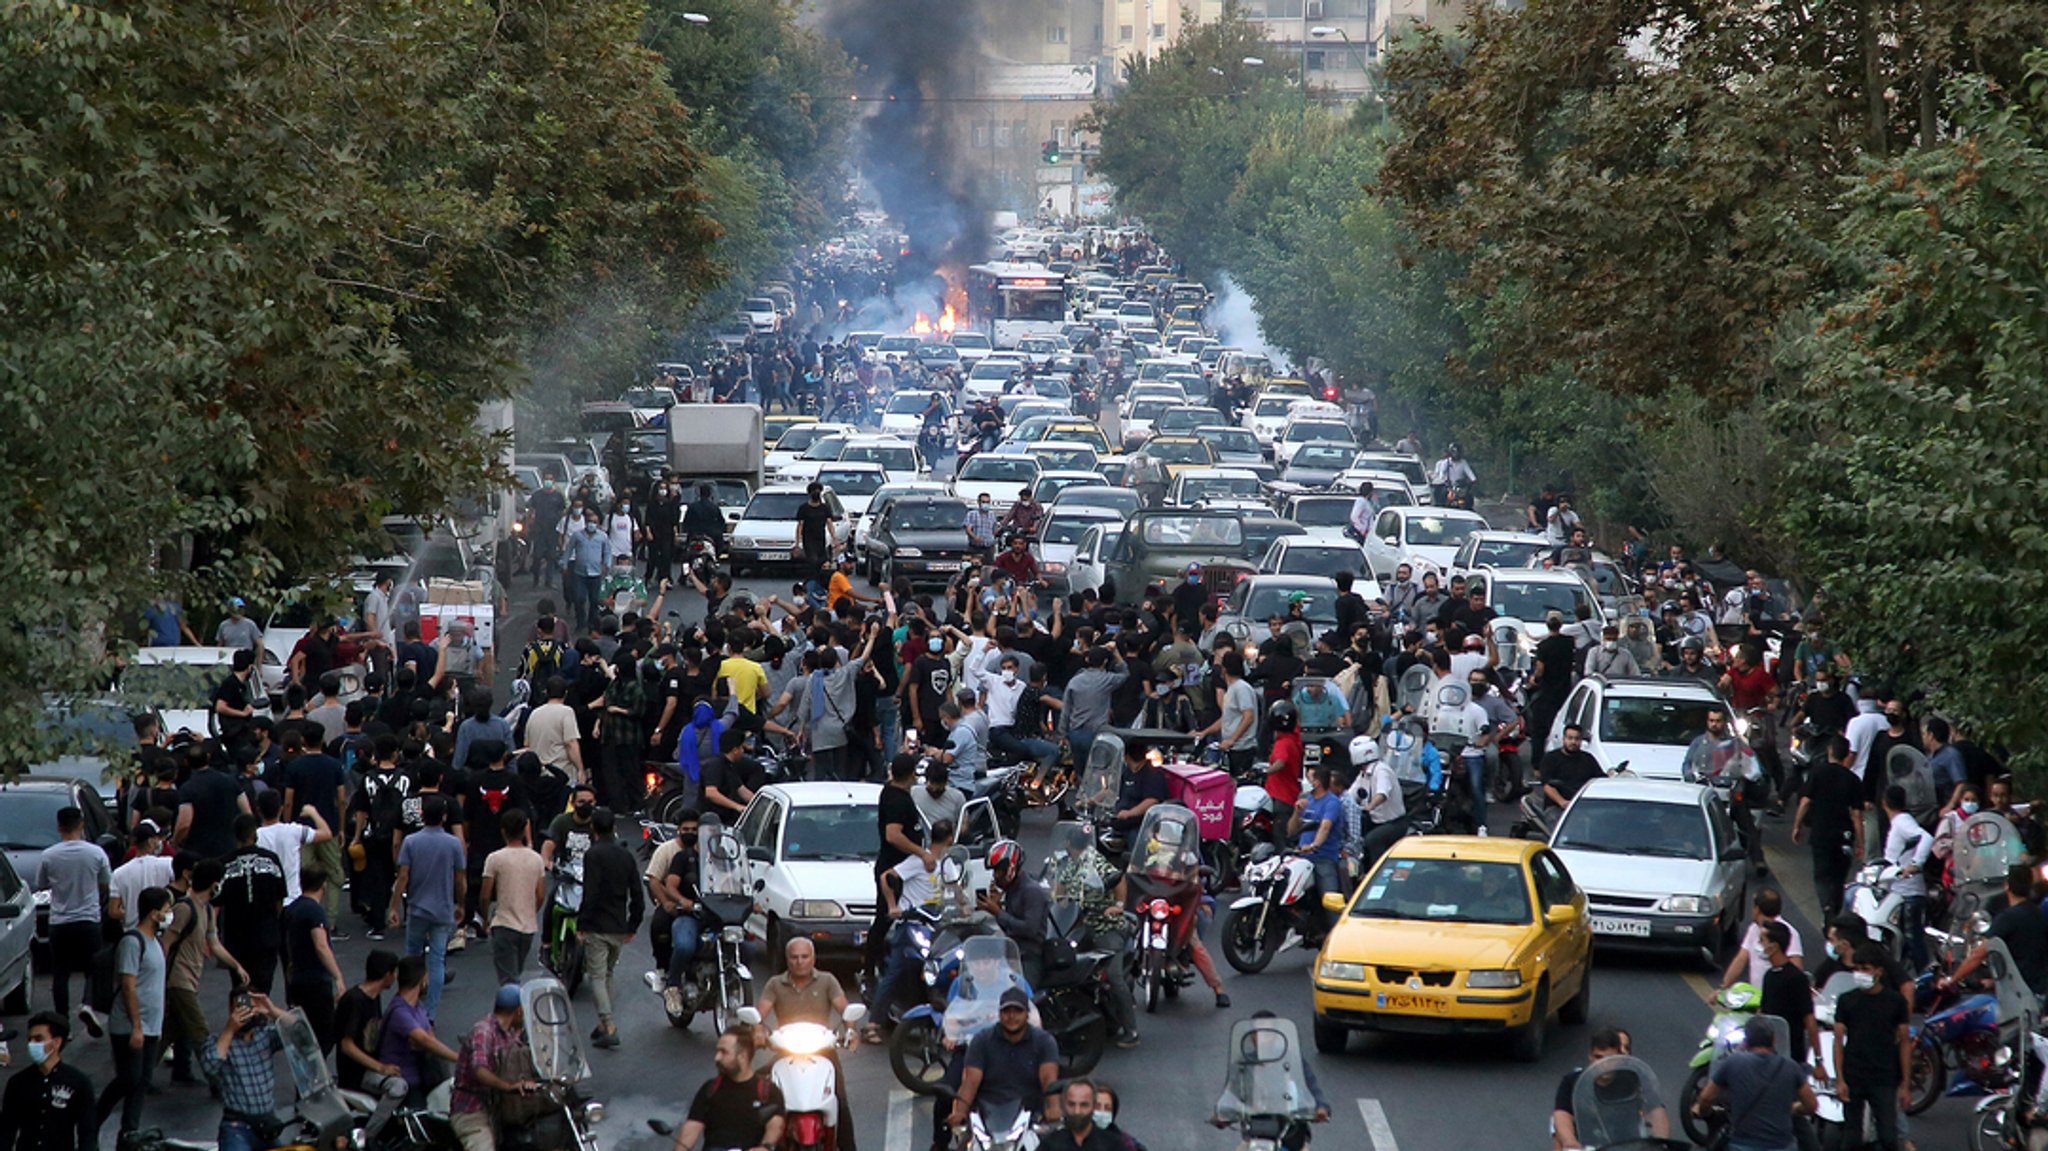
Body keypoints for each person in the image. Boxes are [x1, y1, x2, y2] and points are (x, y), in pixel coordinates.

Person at [755, 937, 857, 1151]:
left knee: (840, 1100)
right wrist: (757, 1029)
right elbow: (759, 1013)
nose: (799, 961)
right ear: (787, 959)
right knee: (757, 1091)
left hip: (823, 1051)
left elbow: (844, 1009)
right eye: (794, 957)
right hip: (786, 1051)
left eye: (804, 956)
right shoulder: (775, 984)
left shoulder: (827, 980)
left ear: (813, 958)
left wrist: (851, 1030)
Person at [97, 885, 168, 1139]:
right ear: (153, 913)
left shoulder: (155, 942)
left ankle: (130, 1132)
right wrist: (137, 1026)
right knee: (129, 1077)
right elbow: (128, 985)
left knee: (142, 1081)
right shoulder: (132, 942)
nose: (168, 915)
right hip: (130, 1025)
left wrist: (156, 1027)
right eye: (166, 910)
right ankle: (93, 1119)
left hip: (151, 1025)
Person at [390, 794, 466, 1021]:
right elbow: (460, 879)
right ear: (444, 817)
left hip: (417, 908)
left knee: (412, 955)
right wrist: (461, 903)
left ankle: (408, 1003)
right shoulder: (453, 844)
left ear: (422, 815)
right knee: (437, 960)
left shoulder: (411, 842)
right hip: (443, 909)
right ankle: (430, 1013)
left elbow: (403, 876)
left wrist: (394, 907)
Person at [1691, 1016, 1816, 1151]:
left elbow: (1706, 1098)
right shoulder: (1790, 1067)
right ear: (1774, 1041)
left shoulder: (1734, 1062)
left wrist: (1704, 1112)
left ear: (1746, 1041)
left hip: (1742, 1146)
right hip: (1782, 1146)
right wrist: (1795, 1108)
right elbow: (1811, 1105)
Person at [36, 805, 112, 1025]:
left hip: (60, 920)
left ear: (59, 827)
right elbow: (106, 882)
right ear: (81, 825)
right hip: (89, 918)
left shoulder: (49, 855)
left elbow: (42, 884)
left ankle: (62, 1023)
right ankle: (88, 1003)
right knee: (93, 968)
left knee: (60, 973)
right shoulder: (96, 853)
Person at [1831, 944, 1911, 1151]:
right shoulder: (1846, 1000)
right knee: (1851, 1138)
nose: (1860, 973)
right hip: (1854, 1074)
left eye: (1865, 968)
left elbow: (1904, 1042)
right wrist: (1840, 1079)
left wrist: (1905, 1085)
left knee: (1888, 1137)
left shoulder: (1896, 1002)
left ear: (1879, 971)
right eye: (1856, 968)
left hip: (1884, 1077)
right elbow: (1838, 1041)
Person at [949, 987, 1060, 1134]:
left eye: (1018, 1011)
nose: (1012, 1016)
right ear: (999, 1014)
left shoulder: (1044, 1042)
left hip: (1030, 1117)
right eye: (1006, 1011)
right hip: (987, 1117)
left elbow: (1049, 1080)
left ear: (1027, 1014)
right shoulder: (982, 1041)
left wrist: (1054, 1108)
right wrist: (960, 1112)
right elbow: (970, 1082)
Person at [579, 807, 642, 1049]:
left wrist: (583, 923)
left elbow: (591, 892)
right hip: (618, 925)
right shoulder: (625, 855)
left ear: (593, 828)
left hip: (598, 925)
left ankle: (609, 1024)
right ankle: (604, 1023)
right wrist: (633, 923)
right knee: (608, 974)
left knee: (597, 976)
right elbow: (636, 893)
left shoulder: (593, 855)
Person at [448, 985, 538, 1151]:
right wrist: (508, 1086)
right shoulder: (483, 1031)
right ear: (518, 1011)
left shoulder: (511, 1034)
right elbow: (480, 1071)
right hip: (473, 1110)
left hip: (501, 1108)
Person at [668, 1026, 785, 1151]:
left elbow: (775, 1123)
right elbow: (692, 1126)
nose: (717, 1057)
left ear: (742, 1057)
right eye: (717, 1051)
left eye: (723, 1052)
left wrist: (765, 1147)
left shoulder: (768, 1091)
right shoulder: (710, 1090)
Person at [200, 991, 291, 1151]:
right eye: (240, 1007)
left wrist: (271, 1010)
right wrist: (229, 1029)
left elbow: (300, 1031)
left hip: (266, 1124)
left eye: (250, 1007)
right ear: (231, 1010)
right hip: (237, 1126)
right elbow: (210, 1067)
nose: (246, 1012)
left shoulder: (265, 1036)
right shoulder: (218, 1041)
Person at [1943, 862, 2048, 999]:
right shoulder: (2039, 914)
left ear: (2007, 886)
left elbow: (1978, 955)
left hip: (2020, 995)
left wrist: (1952, 980)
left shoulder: (2007, 918)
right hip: (2040, 988)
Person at [1791, 736, 1866, 919]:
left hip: (1821, 832)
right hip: (1844, 836)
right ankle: (1835, 908)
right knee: (1839, 878)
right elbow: (1857, 815)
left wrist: (1797, 826)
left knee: (1822, 875)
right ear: (1847, 754)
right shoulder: (1853, 780)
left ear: (1830, 751)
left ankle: (1826, 907)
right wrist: (1860, 843)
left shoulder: (1817, 772)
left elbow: (1805, 801)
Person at [0, 1012, 96, 1151]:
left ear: (56, 1042)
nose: (32, 1044)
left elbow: (87, 1134)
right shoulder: (17, 1083)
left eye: (38, 1039)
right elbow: (6, 1131)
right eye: (30, 1039)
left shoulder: (78, 1083)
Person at [216, 813, 287, 994]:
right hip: (266, 934)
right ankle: (261, 1018)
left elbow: (216, 903)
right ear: (254, 834)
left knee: (241, 987)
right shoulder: (271, 860)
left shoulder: (224, 864)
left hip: (236, 937)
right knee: (263, 987)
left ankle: (243, 1019)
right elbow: (280, 898)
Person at [378, 955, 460, 1106]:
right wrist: (458, 1058)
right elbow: (424, 1040)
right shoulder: (400, 1012)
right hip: (404, 1080)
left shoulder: (418, 1007)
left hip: (424, 1077)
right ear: (423, 979)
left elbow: (430, 1038)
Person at [479, 809, 545, 987]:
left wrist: (486, 919)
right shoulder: (536, 859)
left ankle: (513, 1012)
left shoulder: (495, 858)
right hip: (528, 927)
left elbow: (485, 895)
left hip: (504, 924)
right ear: (525, 830)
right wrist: (530, 911)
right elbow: (540, 895)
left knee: (508, 979)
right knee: (517, 972)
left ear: (503, 831)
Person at [282, 869, 346, 1051]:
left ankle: (311, 1073)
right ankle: (318, 1073)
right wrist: (338, 976)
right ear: (323, 885)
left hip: (297, 978)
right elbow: (321, 946)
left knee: (306, 1030)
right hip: (316, 980)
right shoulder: (314, 911)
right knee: (325, 1033)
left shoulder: (292, 909)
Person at [1879, 784, 1934, 971]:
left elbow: (1925, 837)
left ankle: (1924, 974)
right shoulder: (1899, 822)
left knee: (1912, 937)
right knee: (1903, 937)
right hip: (1898, 890)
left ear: (1884, 803)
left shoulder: (1902, 821)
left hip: (1908, 891)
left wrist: (1916, 864)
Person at [980, 840, 1050, 983]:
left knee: (1021, 995)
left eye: (998, 870)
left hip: (1029, 958)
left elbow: (1030, 929)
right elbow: (1009, 927)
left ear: (1010, 867)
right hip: (1011, 954)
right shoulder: (1012, 890)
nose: (995, 876)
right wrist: (996, 908)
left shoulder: (1031, 891)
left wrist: (998, 912)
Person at [336, 950, 403, 1096]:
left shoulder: (374, 997)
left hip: (368, 1068)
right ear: (387, 975)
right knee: (398, 1087)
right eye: (395, 973)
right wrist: (380, 1067)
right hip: (356, 1075)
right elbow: (347, 1046)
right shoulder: (355, 1001)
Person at [1287, 768, 1344, 934]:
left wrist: (1314, 846)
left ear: (1317, 782)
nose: (1307, 781)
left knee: (1330, 900)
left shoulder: (1331, 802)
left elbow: (1325, 827)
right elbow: (1291, 831)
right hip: (1301, 858)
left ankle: (1337, 936)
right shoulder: (1307, 801)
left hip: (1322, 857)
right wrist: (1296, 812)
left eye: (1309, 778)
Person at [1754, 921, 1819, 1066]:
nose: (1758, 944)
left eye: (1762, 940)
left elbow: (1809, 1020)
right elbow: (1763, 1012)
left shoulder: (1797, 978)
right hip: (1769, 1055)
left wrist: (1818, 1060)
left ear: (1774, 946)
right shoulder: (1769, 976)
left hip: (1791, 1056)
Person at [1721, 889, 1804, 989]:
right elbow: (1740, 960)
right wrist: (1723, 987)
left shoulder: (1789, 933)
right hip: (1757, 998)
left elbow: (1796, 970)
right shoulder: (1753, 929)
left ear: (1757, 910)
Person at [1044, 1079, 1120, 1151]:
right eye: (1072, 1104)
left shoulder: (1113, 1145)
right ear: (1064, 1106)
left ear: (1093, 1106)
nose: (1077, 1111)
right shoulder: (1050, 1144)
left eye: (1084, 1105)